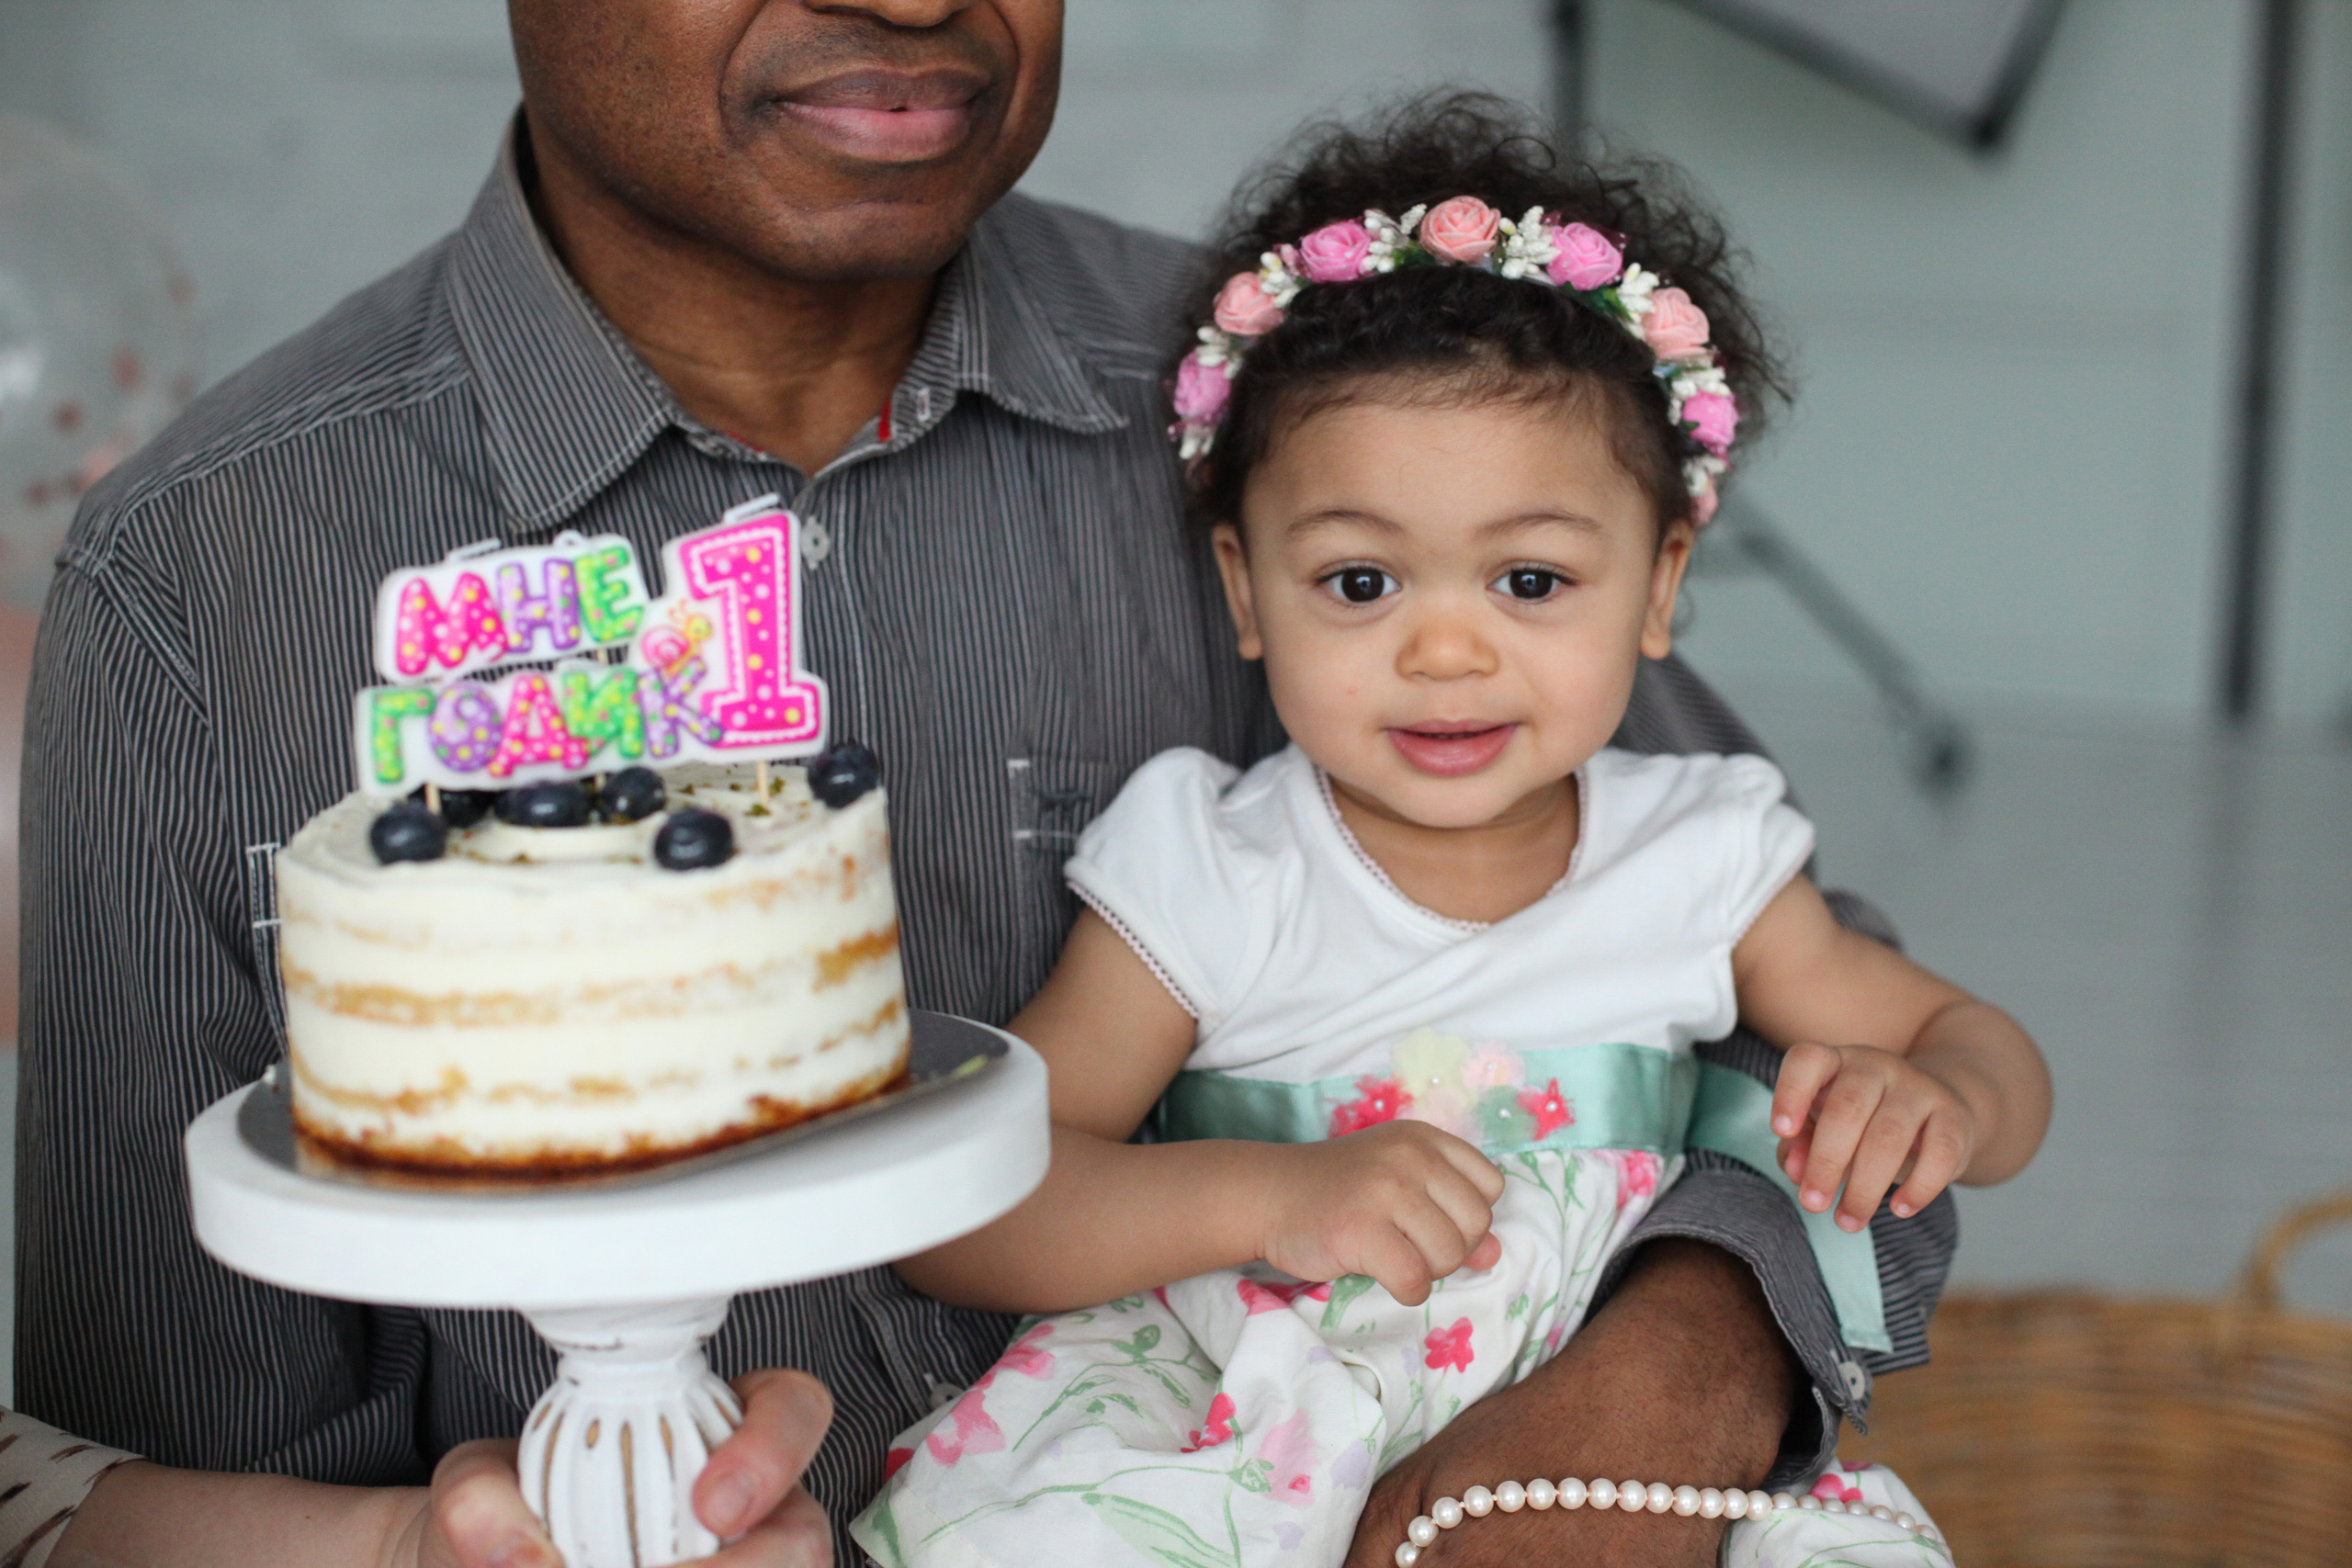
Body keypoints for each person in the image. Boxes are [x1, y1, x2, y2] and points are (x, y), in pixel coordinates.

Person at [10, 0, 1957, 1554]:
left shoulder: (1317, 413)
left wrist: (1640, 1401)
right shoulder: (210, 580)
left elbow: (1796, 1020)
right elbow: (141, 1451)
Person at [856, 103, 2051, 1568]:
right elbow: (971, 1211)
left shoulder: (1698, 859)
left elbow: (1973, 1043)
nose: (1444, 652)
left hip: (1608, 1449)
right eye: (1360, 583)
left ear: (1661, 584)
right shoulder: (1221, 871)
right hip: (1254, 1439)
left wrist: (1944, 1105)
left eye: (1531, 582)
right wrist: (1270, 1196)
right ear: (1245, 591)